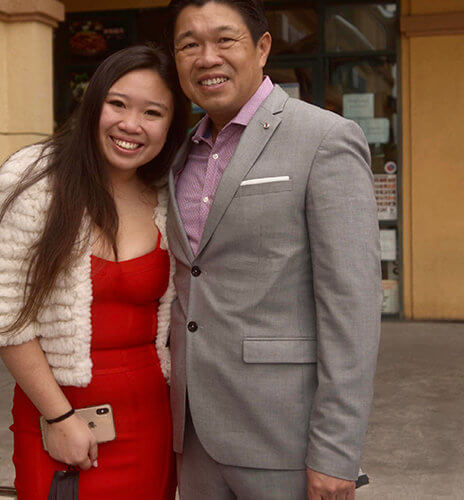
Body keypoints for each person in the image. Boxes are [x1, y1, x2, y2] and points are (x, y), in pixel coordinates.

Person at [164, 1, 382, 499]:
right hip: (191, 434)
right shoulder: (178, 151)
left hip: (283, 436)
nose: (206, 57)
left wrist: (336, 450)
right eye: (189, 44)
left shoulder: (324, 137)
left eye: (225, 40)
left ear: (262, 48)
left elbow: (352, 308)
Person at [0, 45, 188, 500]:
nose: (131, 124)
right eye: (118, 103)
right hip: (59, 414)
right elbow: (3, 317)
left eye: (153, 112)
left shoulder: (170, 194)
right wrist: (59, 417)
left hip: (152, 415)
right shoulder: (32, 180)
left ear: (171, 126)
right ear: (93, 104)